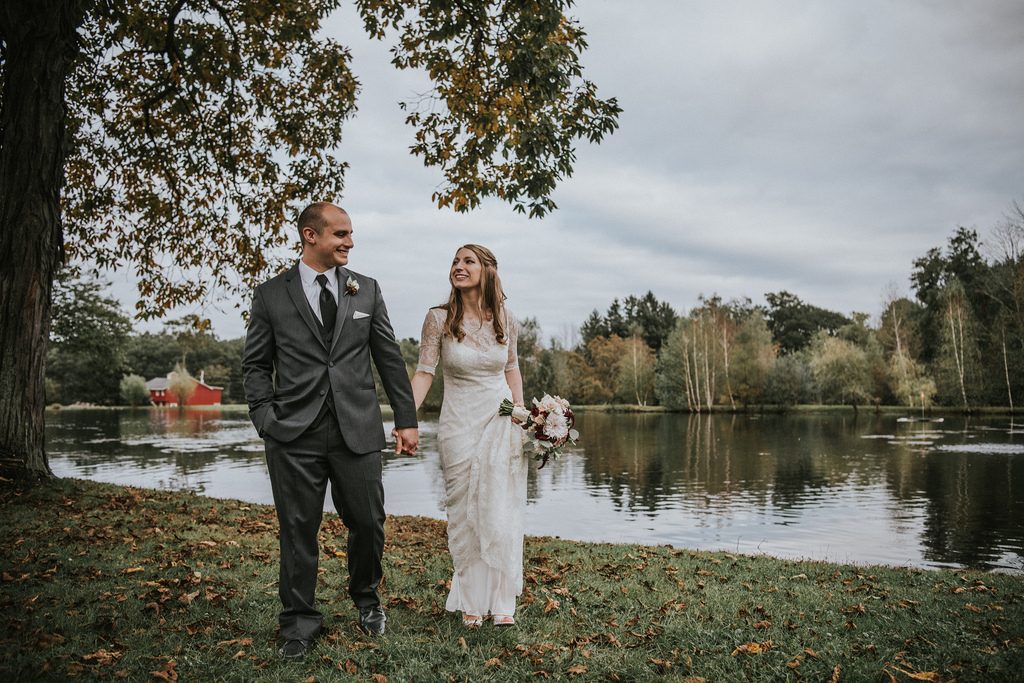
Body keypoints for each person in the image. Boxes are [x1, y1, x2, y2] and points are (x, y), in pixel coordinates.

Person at [242, 202, 418, 657]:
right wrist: (264, 417)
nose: (350, 242)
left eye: (351, 234)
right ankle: (299, 622)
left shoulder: (367, 290)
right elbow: (256, 365)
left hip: (356, 429)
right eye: (340, 234)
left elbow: (389, 359)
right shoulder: (270, 295)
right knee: (298, 528)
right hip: (292, 434)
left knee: (368, 522)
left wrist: (405, 420)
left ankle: (367, 601)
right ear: (310, 236)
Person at [410, 244, 528, 627]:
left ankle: (502, 603)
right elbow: (425, 371)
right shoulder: (438, 318)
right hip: (458, 423)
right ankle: (471, 601)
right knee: (464, 511)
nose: (458, 267)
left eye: (468, 261)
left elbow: (511, 369)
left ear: (487, 270)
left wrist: (523, 415)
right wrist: (405, 415)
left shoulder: (506, 318)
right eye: (455, 261)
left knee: (499, 508)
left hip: (500, 419)